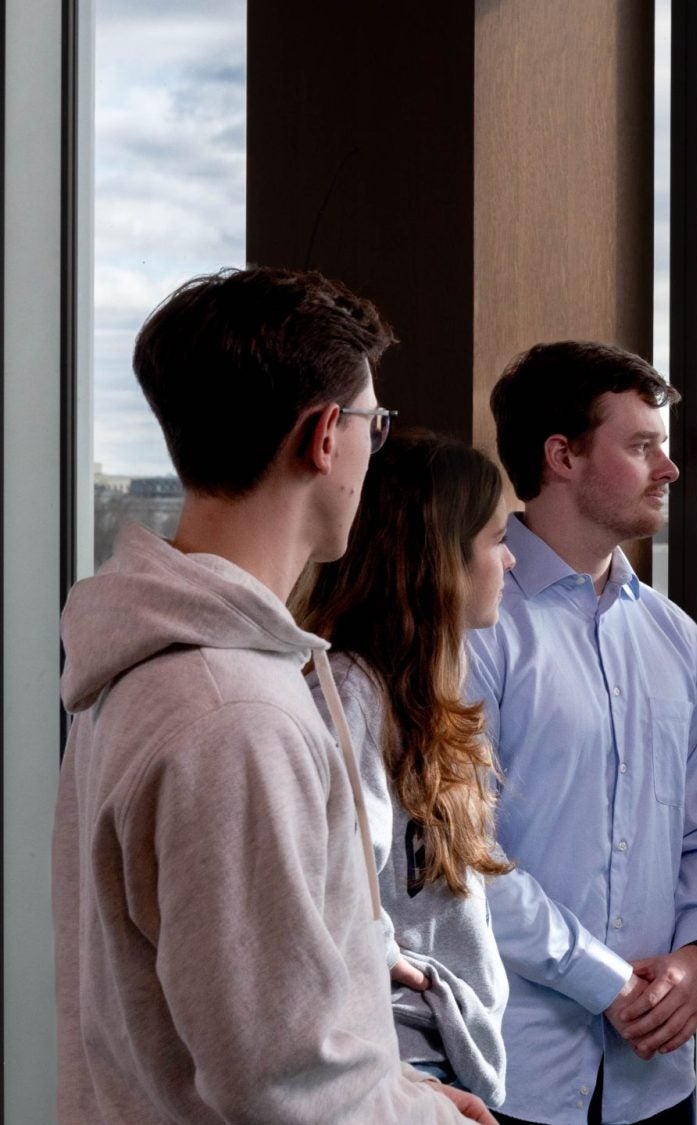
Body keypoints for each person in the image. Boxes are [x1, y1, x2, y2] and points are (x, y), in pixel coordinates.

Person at [53, 267, 489, 1122]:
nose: (375, 447)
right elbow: (288, 1087)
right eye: (375, 423)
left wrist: (398, 1091)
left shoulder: (156, 671)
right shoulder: (234, 714)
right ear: (326, 436)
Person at [468, 341, 697, 1125]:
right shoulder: (475, 627)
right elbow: (461, 855)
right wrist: (608, 981)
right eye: (641, 445)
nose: (670, 467)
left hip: (655, 1080)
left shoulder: (674, 637)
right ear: (562, 455)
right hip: (512, 1078)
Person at [297, 431, 519, 1108]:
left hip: (436, 1076)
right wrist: (406, 1087)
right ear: (438, 559)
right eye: (495, 538)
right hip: (398, 1084)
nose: (509, 559)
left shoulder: (415, 698)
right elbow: (333, 916)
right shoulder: (347, 698)